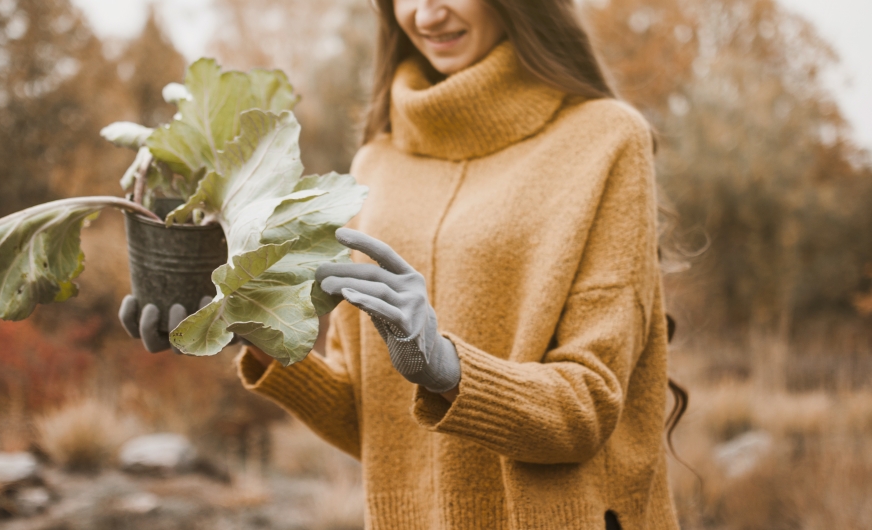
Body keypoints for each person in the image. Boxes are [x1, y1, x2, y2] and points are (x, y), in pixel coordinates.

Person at [123, 0, 684, 527]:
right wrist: (250, 335)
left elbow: (589, 404)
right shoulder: (377, 161)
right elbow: (373, 423)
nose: (427, 13)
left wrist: (447, 368)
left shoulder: (607, 139)